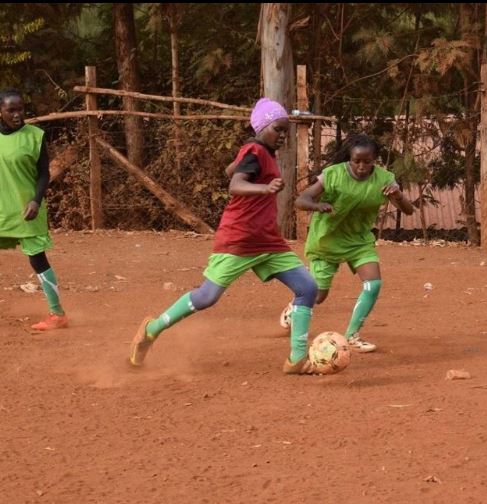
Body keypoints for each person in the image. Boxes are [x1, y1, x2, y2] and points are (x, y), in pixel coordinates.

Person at [129, 98, 321, 374]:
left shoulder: (259, 152)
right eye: (278, 129)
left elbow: (232, 171)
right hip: (239, 241)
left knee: (307, 288)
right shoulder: (255, 150)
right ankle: (151, 329)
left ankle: (297, 358)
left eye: (285, 131)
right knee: (207, 297)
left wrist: (239, 168)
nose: (283, 136)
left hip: (268, 241)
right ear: (264, 126)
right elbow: (235, 184)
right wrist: (265, 188)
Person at [280, 134, 414, 353]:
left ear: (375, 160)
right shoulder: (332, 175)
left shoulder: (385, 179)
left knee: (374, 284)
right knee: (319, 295)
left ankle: (352, 335)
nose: (361, 166)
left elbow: (408, 210)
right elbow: (301, 200)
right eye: (356, 161)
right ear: (349, 159)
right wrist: (318, 206)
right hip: (327, 240)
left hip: (359, 241)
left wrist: (398, 196)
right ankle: (292, 309)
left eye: (367, 161)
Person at [0, 88, 68, 330]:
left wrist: (36, 201)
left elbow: (43, 174)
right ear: (1, 111)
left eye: (20, 109)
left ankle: (57, 314)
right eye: (11, 110)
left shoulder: (34, 136)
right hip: (1, 210)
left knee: (37, 259)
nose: (18, 114)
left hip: (27, 210)